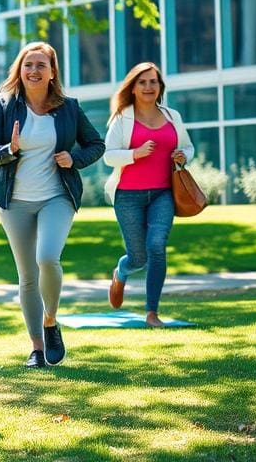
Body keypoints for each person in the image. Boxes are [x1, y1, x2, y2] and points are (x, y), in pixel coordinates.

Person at [0, 42, 105, 368]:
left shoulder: (68, 108)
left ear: (52, 72)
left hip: (56, 196)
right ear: (20, 71)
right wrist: (9, 149)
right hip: (14, 200)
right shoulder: (5, 106)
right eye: (28, 65)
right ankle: (37, 347)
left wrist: (74, 159)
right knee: (27, 276)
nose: (33, 71)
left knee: (47, 257)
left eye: (40, 65)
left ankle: (51, 320)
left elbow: (96, 144)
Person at [103, 62, 194, 328]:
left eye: (153, 82)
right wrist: (135, 154)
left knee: (156, 247)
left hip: (162, 194)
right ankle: (121, 273)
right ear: (132, 88)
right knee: (138, 258)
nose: (148, 87)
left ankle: (152, 312)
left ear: (160, 86)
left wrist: (183, 156)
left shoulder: (172, 116)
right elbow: (108, 156)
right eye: (142, 82)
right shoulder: (123, 118)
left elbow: (189, 147)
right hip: (128, 197)